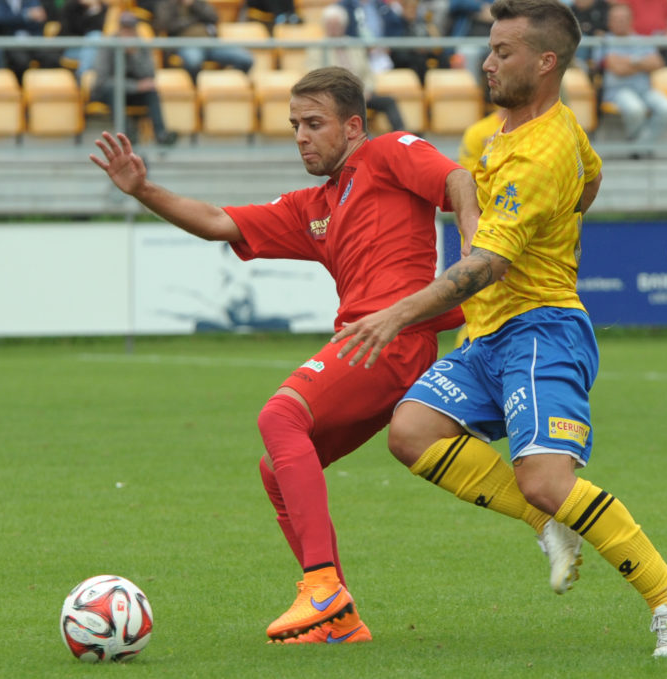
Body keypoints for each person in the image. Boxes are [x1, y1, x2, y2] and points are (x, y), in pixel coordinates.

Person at [330, 0, 667, 658]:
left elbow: (486, 266)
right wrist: (557, 223)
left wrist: (395, 314)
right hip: (489, 335)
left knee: (545, 479)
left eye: (503, 52)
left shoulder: (540, 153)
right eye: (490, 49)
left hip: (541, 328)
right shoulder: (519, 130)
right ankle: (546, 519)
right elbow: (591, 180)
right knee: (412, 432)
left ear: (545, 61)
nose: (487, 62)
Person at [90, 65, 479, 645]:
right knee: (276, 469)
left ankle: (321, 586)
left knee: (280, 415)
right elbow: (219, 222)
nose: (301, 136)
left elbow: (458, 179)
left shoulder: (389, 151)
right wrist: (143, 190)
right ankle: (339, 619)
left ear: (353, 127)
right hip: (373, 348)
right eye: (295, 124)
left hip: (391, 340)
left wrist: (472, 244)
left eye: (314, 123)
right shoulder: (313, 207)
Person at [308, 3, 407, 133]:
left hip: (360, 93)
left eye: (337, 25)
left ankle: (402, 134)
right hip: (334, 96)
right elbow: (314, 76)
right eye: (330, 25)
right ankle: (363, 139)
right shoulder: (317, 48)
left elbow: (368, 73)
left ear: (343, 26)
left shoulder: (355, 45)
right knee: (350, 107)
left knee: (389, 101)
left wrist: (367, 90)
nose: (333, 28)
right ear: (325, 26)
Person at [599, 2, 667, 150]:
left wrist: (628, 61)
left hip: (645, 90)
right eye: (616, 18)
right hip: (618, 91)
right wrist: (642, 63)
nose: (620, 22)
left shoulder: (642, 40)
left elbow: (657, 63)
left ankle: (639, 145)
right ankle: (640, 148)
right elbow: (617, 69)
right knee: (635, 109)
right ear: (609, 22)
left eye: (624, 18)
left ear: (631, 20)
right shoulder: (603, 42)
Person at [90, 11, 178, 145]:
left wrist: (134, 55)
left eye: (130, 29)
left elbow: (150, 74)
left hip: (134, 92)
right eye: (124, 29)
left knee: (152, 91)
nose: (127, 33)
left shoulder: (141, 45)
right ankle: (127, 134)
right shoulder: (107, 46)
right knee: (113, 90)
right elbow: (101, 81)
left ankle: (161, 134)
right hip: (110, 91)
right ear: (119, 29)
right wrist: (135, 86)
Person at [153, 0, 254, 82]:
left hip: (210, 43)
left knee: (245, 59)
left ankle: (224, 83)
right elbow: (166, 25)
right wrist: (193, 20)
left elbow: (214, 18)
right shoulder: (166, 5)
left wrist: (193, 4)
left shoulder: (198, 2)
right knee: (193, 61)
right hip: (185, 44)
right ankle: (196, 88)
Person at [59, 0, 107, 78]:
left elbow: (104, 31)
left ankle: (85, 79)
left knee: (95, 39)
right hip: (71, 48)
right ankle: (85, 79)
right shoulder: (70, 6)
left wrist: (94, 9)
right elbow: (66, 32)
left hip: (96, 49)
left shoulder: (103, 9)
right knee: (94, 40)